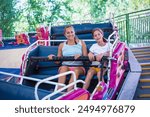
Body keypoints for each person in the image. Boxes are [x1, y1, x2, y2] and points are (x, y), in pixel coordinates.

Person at [48, 25, 87, 92]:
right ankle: (59, 91)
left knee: (76, 71)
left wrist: (80, 57)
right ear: (65, 34)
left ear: (74, 33)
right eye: (68, 33)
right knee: (63, 68)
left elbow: (86, 59)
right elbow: (58, 61)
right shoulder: (62, 45)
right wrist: (53, 57)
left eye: (72, 32)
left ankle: (68, 93)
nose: (70, 34)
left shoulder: (82, 43)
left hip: (79, 67)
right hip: (66, 66)